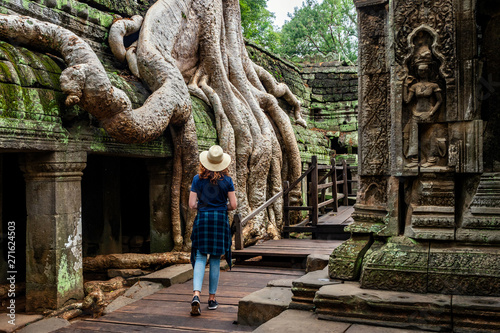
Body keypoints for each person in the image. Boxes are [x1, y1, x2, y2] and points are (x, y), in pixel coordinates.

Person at [188, 145, 237, 316]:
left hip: (203, 219)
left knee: (200, 256)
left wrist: (204, 206)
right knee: (215, 259)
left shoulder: (197, 179)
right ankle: (211, 299)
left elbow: (192, 204)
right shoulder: (227, 181)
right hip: (219, 219)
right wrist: (222, 207)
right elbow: (234, 205)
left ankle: (196, 295)